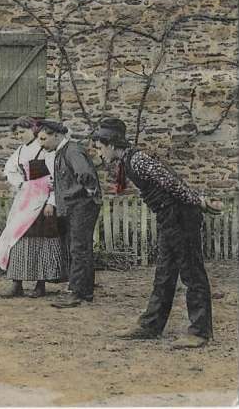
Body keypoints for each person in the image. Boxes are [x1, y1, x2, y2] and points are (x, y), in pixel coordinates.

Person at [92, 118, 220, 348]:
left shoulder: (138, 159)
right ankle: (150, 325)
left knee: (192, 273)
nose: (98, 152)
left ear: (111, 144)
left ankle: (199, 332)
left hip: (181, 217)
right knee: (164, 273)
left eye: (99, 146)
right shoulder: (129, 160)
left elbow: (172, 184)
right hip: (169, 218)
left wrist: (199, 202)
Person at [0, 117, 67, 298]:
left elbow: (56, 179)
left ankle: (40, 285)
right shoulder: (19, 151)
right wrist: (20, 182)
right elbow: (9, 169)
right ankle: (16, 283)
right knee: (15, 237)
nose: (20, 136)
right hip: (25, 198)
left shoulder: (44, 149)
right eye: (17, 133)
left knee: (40, 239)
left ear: (33, 130)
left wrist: (51, 201)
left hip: (42, 199)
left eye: (23, 132)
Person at [37, 120, 102, 308]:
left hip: (81, 207)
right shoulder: (60, 153)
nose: (41, 144)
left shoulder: (72, 150)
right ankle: (85, 291)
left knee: (78, 248)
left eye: (43, 138)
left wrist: (87, 194)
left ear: (57, 135)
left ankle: (75, 293)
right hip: (73, 207)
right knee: (79, 247)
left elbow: (86, 175)